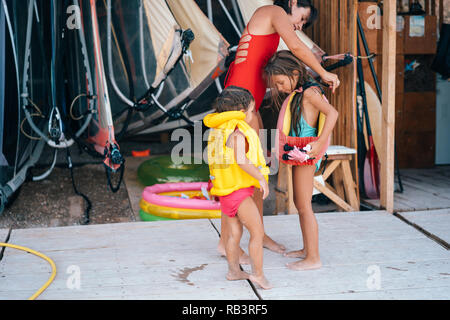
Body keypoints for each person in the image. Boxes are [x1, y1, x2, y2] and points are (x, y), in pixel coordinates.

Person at [220, 0, 340, 256]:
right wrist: (322, 72)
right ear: (293, 2)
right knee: (242, 167)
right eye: (302, 18)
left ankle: (257, 234)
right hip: (242, 95)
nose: (299, 25)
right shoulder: (273, 11)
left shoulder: (267, 21)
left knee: (256, 164)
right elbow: (296, 46)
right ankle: (229, 241)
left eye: (303, 23)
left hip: (246, 94)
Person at [264, 50, 339, 270]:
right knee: (299, 204)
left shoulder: (309, 93)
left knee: (304, 206)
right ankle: (307, 250)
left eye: (280, 82)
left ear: (295, 73)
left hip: (306, 154)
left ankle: (313, 258)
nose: (279, 88)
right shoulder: (301, 92)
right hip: (299, 153)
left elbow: (332, 113)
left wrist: (319, 143)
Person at [204, 86, 272, 289]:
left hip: (225, 190)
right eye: (251, 111)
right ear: (241, 112)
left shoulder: (219, 129)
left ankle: (234, 271)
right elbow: (241, 160)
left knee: (234, 234)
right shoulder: (237, 133)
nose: (252, 115)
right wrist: (260, 177)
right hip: (238, 191)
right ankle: (258, 274)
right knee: (257, 232)